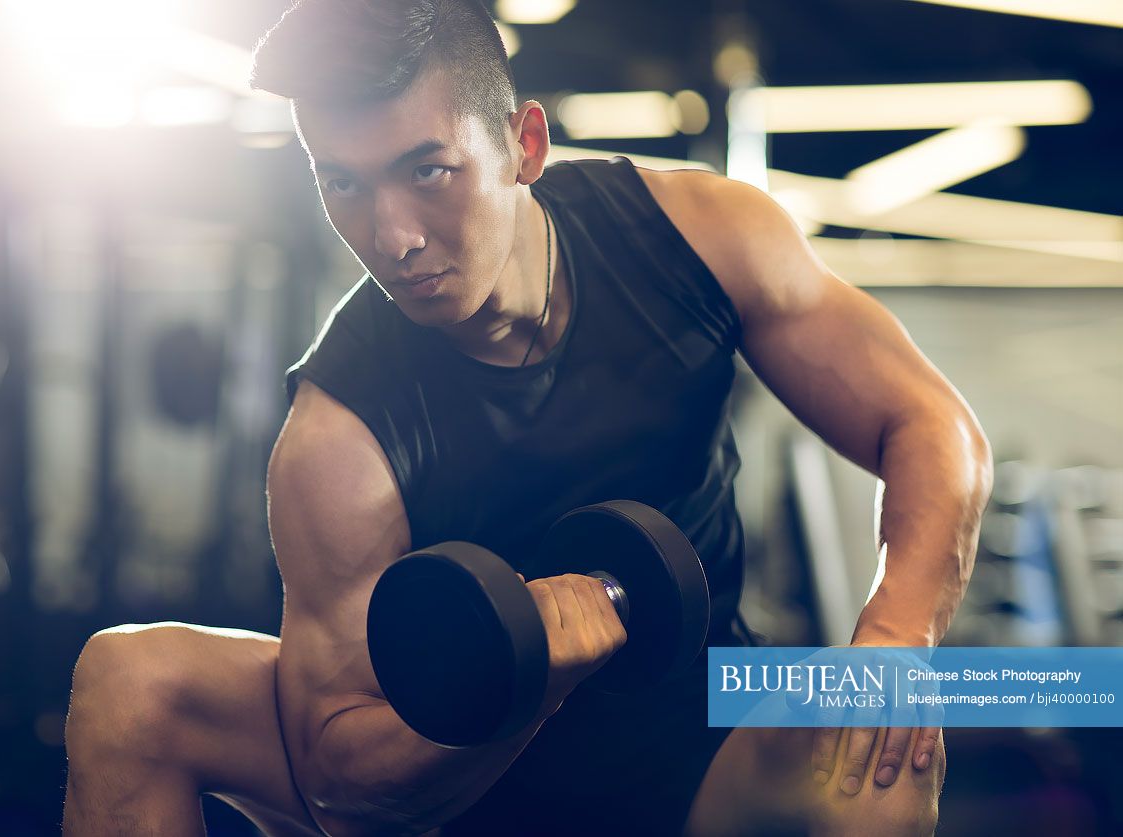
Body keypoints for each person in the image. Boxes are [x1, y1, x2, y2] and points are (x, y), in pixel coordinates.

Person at [62, 1, 990, 834]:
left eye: (427, 170)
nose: (394, 236)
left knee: (871, 750)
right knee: (130, 681)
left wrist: (895, 641)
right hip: (455, 773)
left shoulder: (698, 236)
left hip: (693, 734)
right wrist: (523, 679)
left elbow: (931, 427)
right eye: (342, 184)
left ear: (523, 146)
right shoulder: (337, 438)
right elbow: (337, 773)